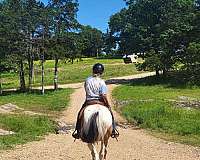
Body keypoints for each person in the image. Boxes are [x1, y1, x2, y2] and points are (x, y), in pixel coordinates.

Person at [72, 63, 119, 139]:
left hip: (89, 101)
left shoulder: (87, 80)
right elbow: (103, 95)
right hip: (100, 101)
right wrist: (107, 104)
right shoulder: (101, 82)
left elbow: (86, 90)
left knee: (80, 114)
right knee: (110, 113)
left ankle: (77, 131)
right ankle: (113, 130)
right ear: (101, 72)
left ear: (93, 70)